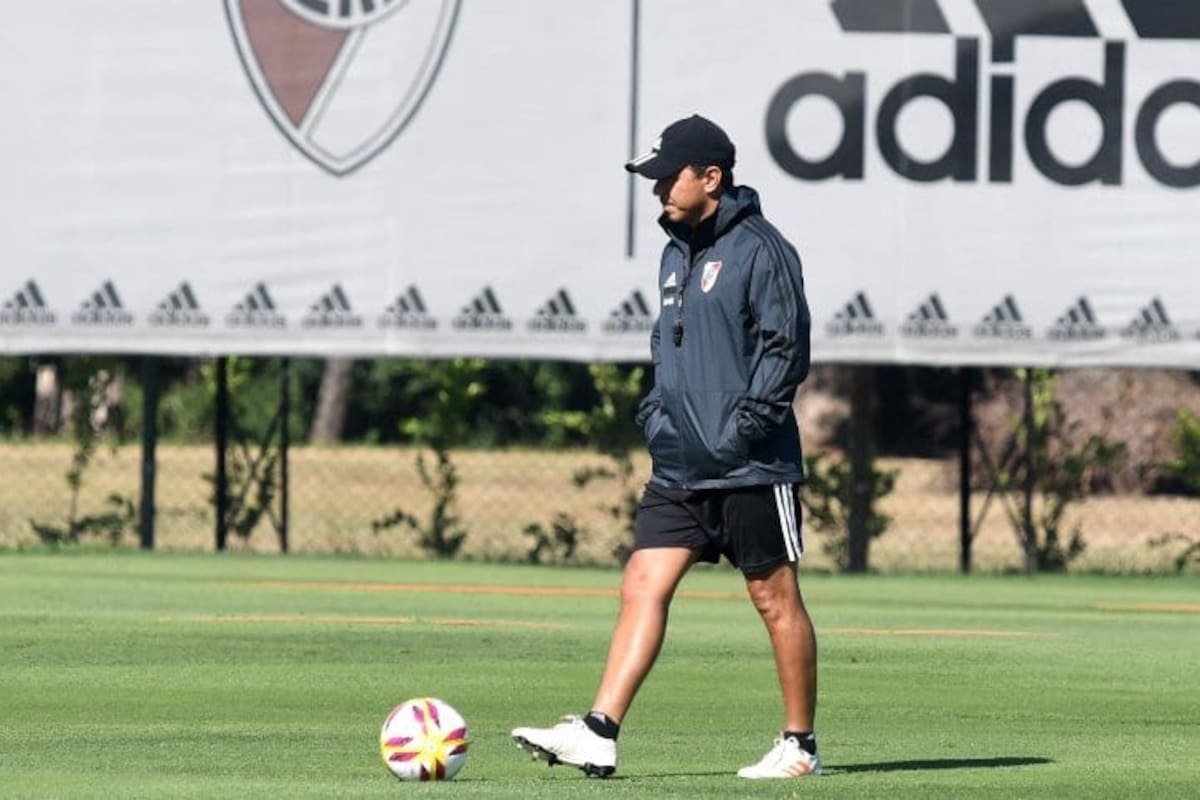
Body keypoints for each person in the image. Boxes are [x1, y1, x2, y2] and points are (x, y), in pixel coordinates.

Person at [511, 114, 818, 780]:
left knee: (774, 598)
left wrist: (741, 430)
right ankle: (600, 731)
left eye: (665, 178)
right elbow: (664, 343)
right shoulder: (675, 251)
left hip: (750, 464)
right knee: (641, 582)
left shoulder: (762, 250)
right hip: (680, 462)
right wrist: (657, 415)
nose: (655, 191)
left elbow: (786, 349)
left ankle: (799, 746)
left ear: (711, 178)